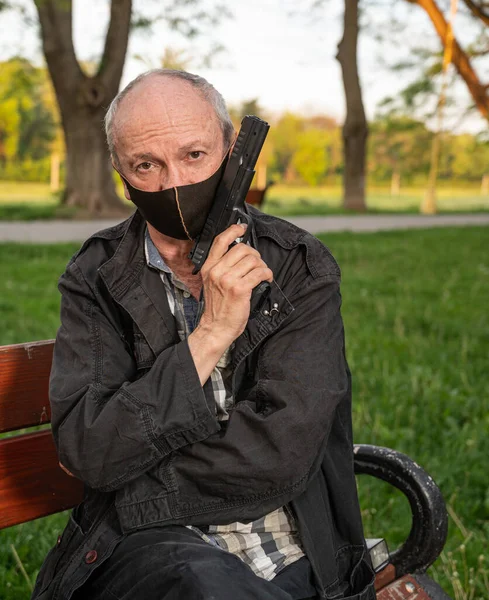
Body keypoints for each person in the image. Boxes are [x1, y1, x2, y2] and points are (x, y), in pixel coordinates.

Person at [32, 69, 375, 600]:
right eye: (146, 165)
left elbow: (282, 450)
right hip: (150, 547)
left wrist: (134, 480)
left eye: (194, 155)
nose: (173, 184)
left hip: (296, 547)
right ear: (119, 170)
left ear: (230, 150)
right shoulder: (95, 276)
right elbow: (90, 448)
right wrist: (210, 335)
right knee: (205, 584)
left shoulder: (297, 266)